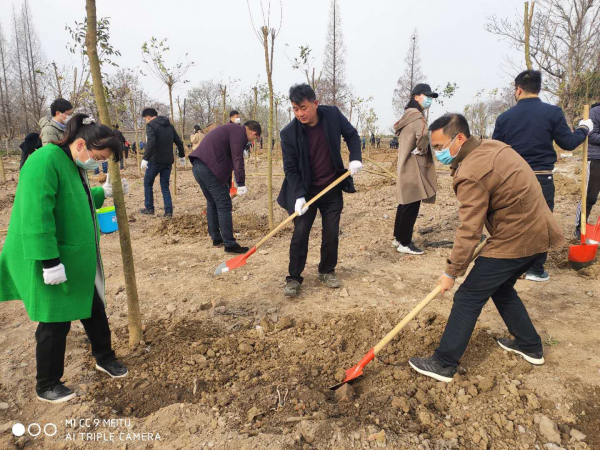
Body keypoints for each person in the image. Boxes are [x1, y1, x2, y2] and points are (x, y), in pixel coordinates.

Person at [408, 113, 566, 383]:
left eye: (439, 147)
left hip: (517, 238)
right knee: (501, 288)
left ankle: (444, 363)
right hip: (539, 232)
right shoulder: (491, 146)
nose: (437, 154)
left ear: (459, 138)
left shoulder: (471, 172)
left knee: (468, 297)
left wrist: (451, 272)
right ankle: (529, 345)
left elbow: (470, 230)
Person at [0, 114, 131, 403]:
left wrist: (101, 193)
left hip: (74, 257)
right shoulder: (44, 161)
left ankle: (104, 357)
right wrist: (49, 262)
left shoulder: (71, 162)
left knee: (92, 307)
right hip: (49, 257)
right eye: (97, 157)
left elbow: (73, 197)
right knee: (54, 321)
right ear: (80, 143)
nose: (96, 164)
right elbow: (36, 214)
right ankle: (46, 384)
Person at [492, 70, 592, 282]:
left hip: (512, 179)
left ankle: (514, 267)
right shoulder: (553, 113)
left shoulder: (504, 117)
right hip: (540, 177)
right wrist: (583, 129)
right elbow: (568, 143)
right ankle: (535, 269)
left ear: (518, 89)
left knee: (512, 221)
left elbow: (496, 151)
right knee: (540, 222)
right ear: (538, 89)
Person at [278, 83, 362, 297]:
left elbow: (352, 135)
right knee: (300, 233)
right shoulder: (289, 134)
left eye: (304, 107)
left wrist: (355, 158)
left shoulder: (332, 115)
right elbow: (290, 168)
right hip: (306, 193)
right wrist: (298, 196)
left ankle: (327, 270)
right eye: (295, 109)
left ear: (315, 103)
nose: (300, 113)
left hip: (332, 186)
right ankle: (294, 278)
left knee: (331, 232)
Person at [189, 120, 260, 252]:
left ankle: (216, 238)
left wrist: (228, 183)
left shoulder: (232, 130)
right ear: (254, 133)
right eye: (255, 138)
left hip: (198, 166)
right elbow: (237, 158)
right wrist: (241, 182)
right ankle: (230, 244)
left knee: (212, 202)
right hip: (209, 168)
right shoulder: (239, 133)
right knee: (224, 204)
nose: (252, 141)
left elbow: (225, 159)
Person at [392, 83, 438, 255]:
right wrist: (422, 149)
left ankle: (397, 238)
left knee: (404, 203)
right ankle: (405, 242)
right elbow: (424, 135)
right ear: (416, 96)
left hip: (404, 164)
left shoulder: (407, 115)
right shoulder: (417, 116)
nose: (429, 100)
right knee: (411, 204)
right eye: (427, 96)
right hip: (414, 166)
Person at [139, 108, 185, 218]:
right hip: (168, 161)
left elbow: (151, 142)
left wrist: (145, 158)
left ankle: (149, 208)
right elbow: (178, 141)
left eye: (145, 119)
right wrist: (182, 156)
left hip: (155, 161)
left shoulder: (151, 125)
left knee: (148, 183)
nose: (146, 121)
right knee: (165, 185)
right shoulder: (169, 125)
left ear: (148, 117)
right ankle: (168, 211)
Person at [574, 101, 600, 242]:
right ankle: (579, 228)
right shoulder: (595, 112)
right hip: (595, 158)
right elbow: (590, 134)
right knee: (590, 196)